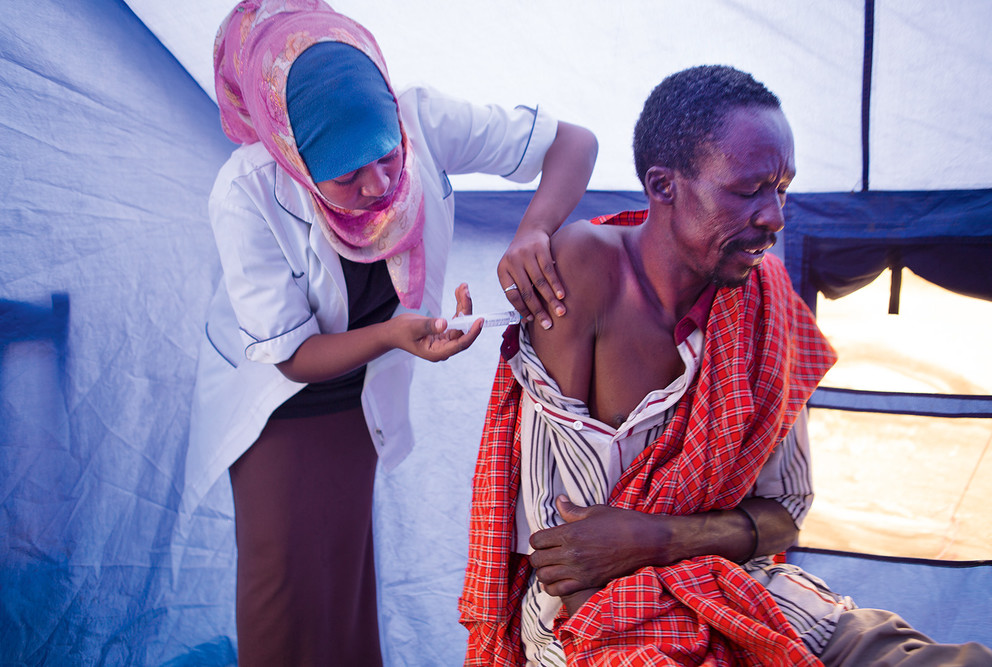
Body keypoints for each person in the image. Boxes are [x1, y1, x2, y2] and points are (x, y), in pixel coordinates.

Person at [460, 65, 992, 666]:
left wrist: (658, 538)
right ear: (664, 187)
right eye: (748, 191)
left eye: (782, 189)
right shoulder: (582, 272)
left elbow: (785, 516)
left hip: (749, 594)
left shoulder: (763, 300)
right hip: (597, 624)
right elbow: (573, 559)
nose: (775, 216)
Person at [183, 1, 597, 665]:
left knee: (344, 587)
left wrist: (535, 231)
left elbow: (574, 143)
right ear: (294, 156)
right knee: (282, 593)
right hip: (278, 408)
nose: (378, 185)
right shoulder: (248, 191)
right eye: (346, 176)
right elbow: (290, 355)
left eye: (385, 156)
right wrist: (394, 335)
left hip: (358, 403)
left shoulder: (421, 120)